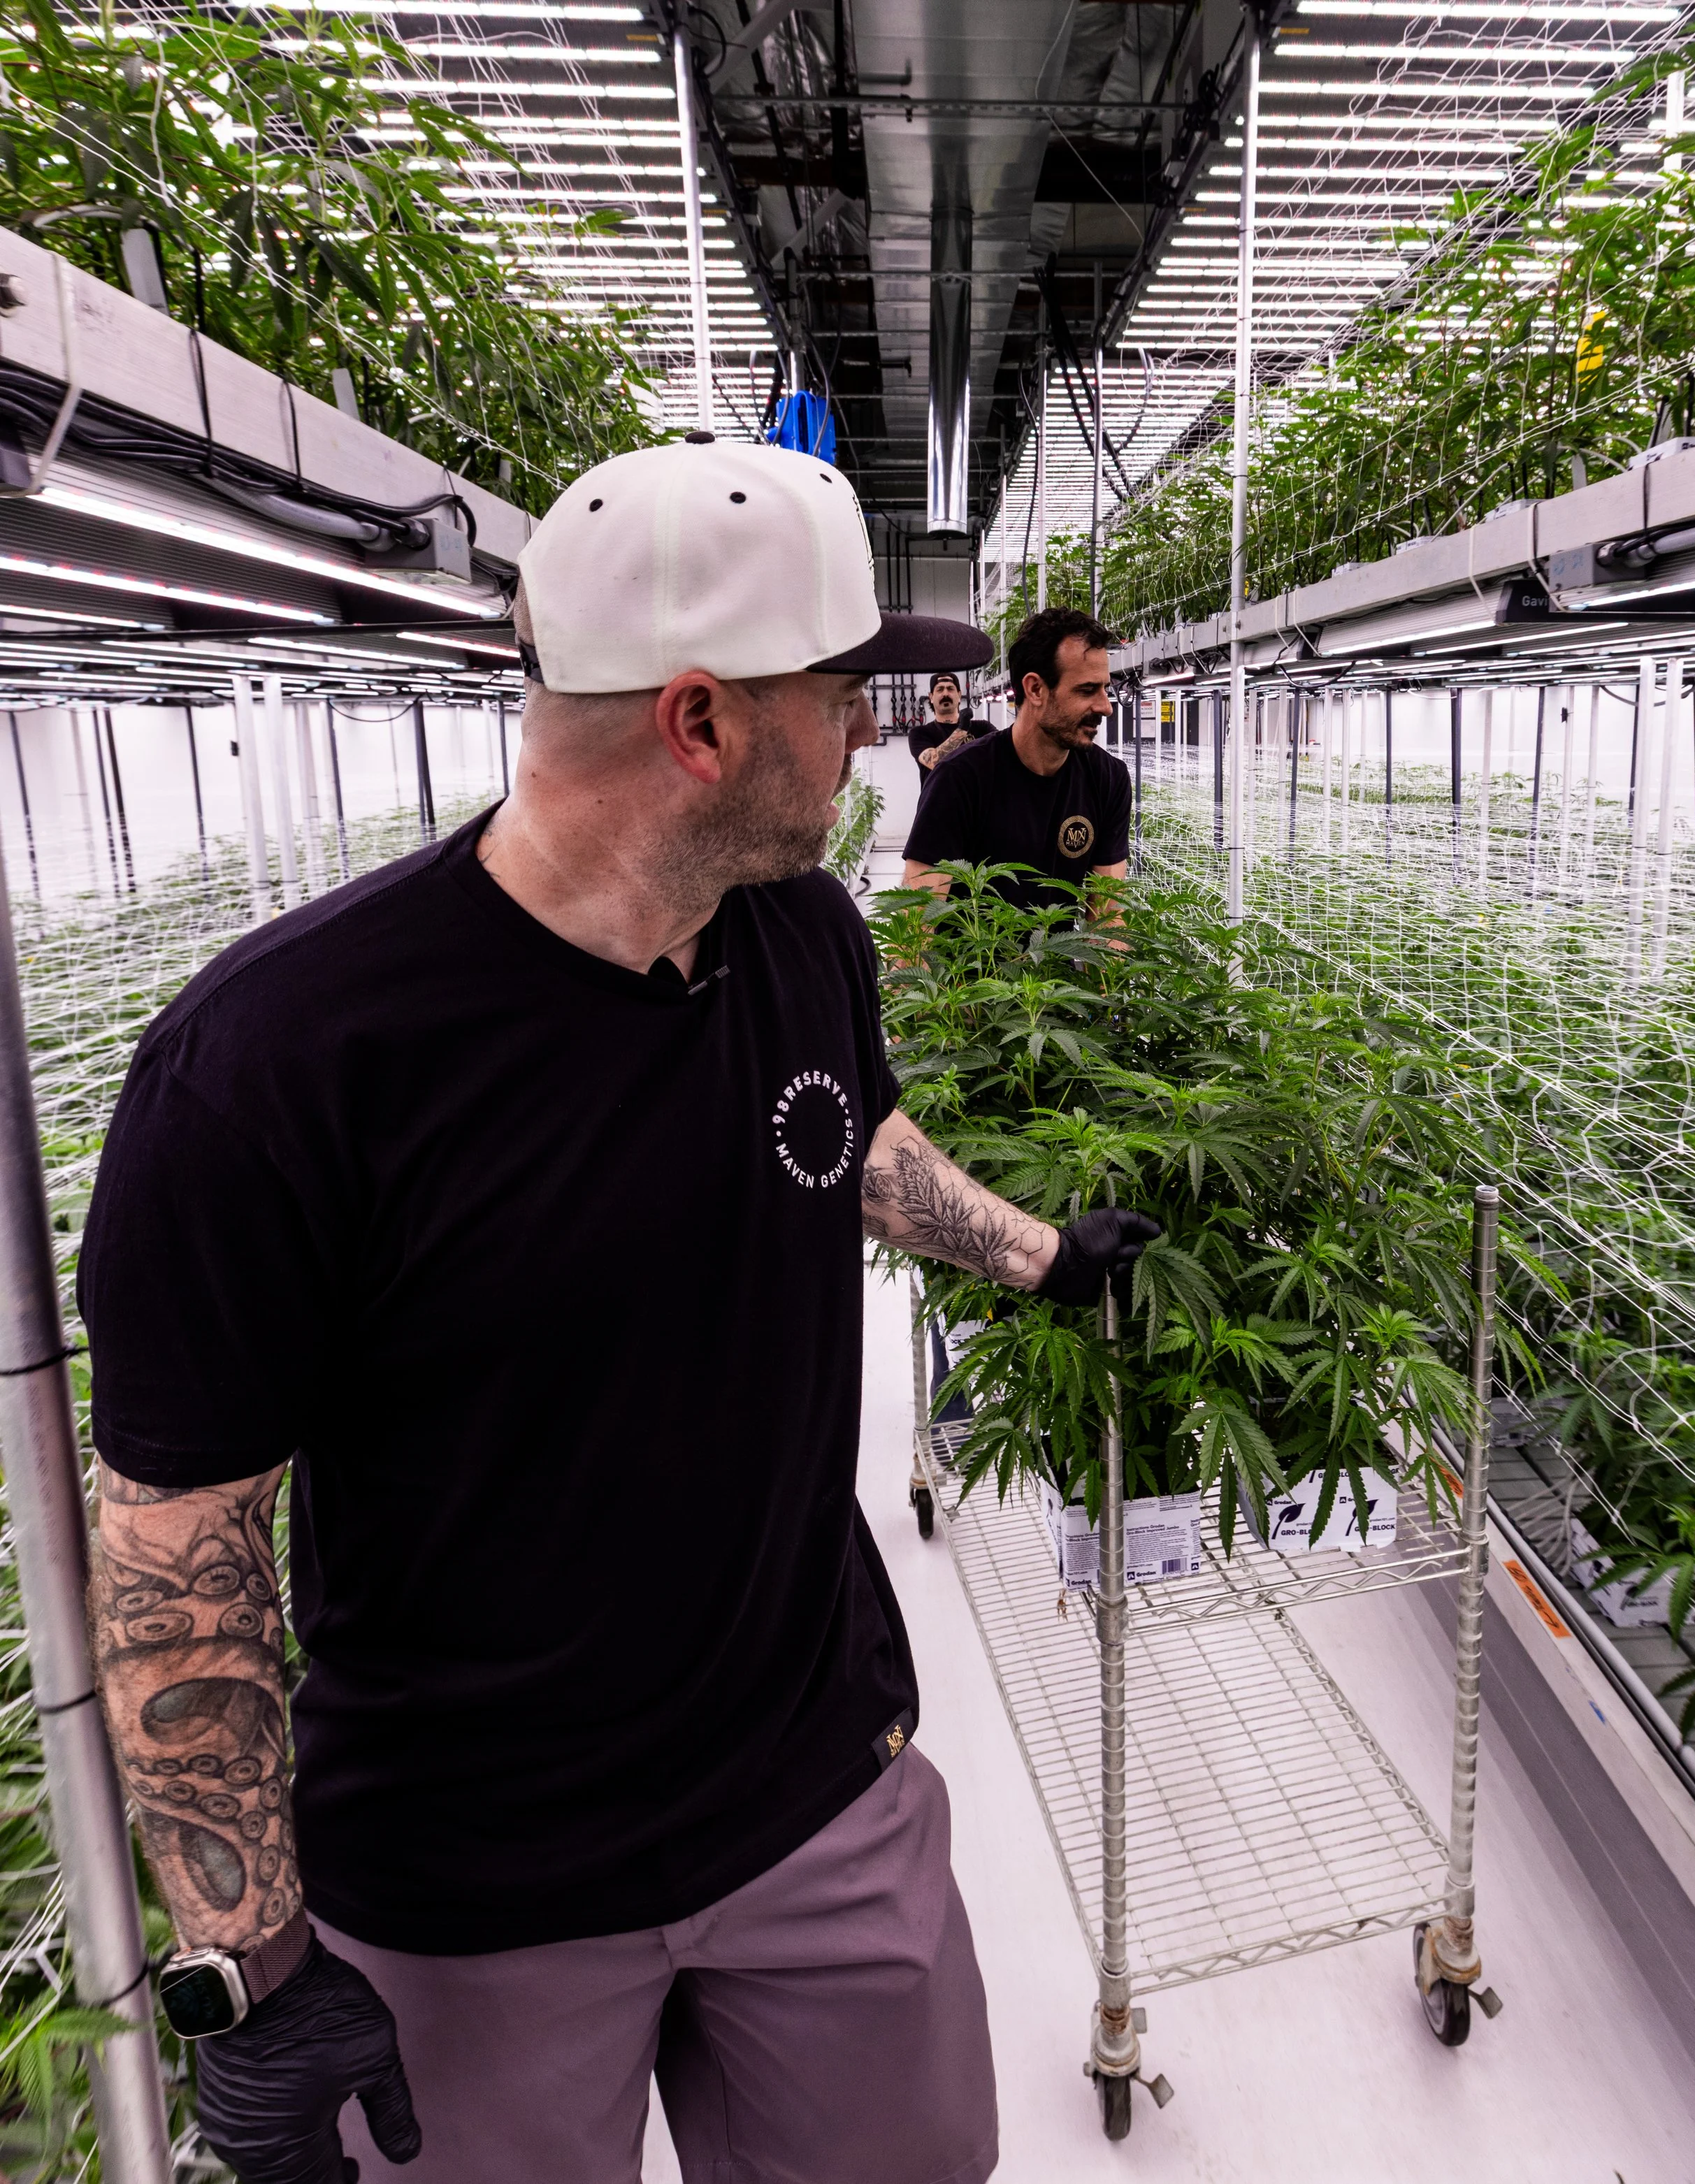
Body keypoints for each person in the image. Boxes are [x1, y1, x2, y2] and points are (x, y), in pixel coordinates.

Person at [79, 435, 1157, 2184]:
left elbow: (845, 1130)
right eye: (842, 693)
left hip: (814, 1788)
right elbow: (177, 1566)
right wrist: (262, 1969)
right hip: (474, 1887)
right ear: (702, 722)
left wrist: (1038, 1252)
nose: (875, 731)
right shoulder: (277, 1066)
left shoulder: (800, 929)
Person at [903, 607, 1130, 912]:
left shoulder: (1109, 778)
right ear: (1035, 689)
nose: (1106, 707)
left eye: (1106, 688)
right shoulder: (958, 780)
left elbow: (1108, 917)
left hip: (1052, 959)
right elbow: (916, 928)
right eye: (1088, 690)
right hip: (969, 959)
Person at [907, 670, 991, 781]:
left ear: (959, 695)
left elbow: (1003, 752)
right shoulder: (920, 733)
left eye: (950, 689)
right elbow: (934, 761)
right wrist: (962, 729)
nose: (945, 693)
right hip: (939, 798)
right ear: (931, 697)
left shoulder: (982, 729)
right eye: (940, 689)